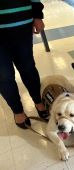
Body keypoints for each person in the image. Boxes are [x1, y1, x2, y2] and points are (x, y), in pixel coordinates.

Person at [0, 0, 49, 129]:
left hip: (22, 25)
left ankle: (38, 101)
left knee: (28, 68)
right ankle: (18, 111)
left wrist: (37, 15)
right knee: (3, 75)